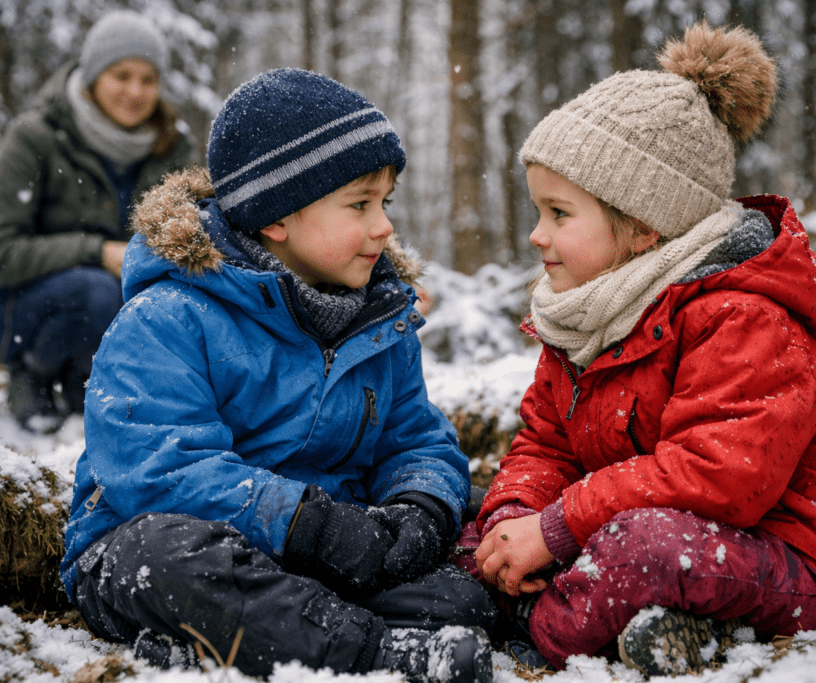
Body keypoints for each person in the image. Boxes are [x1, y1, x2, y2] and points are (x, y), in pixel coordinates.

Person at [456, 21, 816, 678]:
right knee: (477, 519)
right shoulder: (587, 317)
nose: (537, 235)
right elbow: (545, 443)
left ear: (641, 226)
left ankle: (531, 629)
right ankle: (645, 623)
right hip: (648, 523)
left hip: (797, 551)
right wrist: (517, 515)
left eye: (559, 214)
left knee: (643, 550)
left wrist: (557, 527)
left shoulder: (743, 315)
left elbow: (719, 475)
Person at [59, 69, 496, 683]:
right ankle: (375, 656)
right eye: (360, 205)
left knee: (463, 589)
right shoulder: (167, 318)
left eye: (385, 203)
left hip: (315, 557)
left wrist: (416, 510)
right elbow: (160, 469)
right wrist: (306, 524)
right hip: (166, 543)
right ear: (275, 218)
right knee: (167, 559)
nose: (384, 227)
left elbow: (415, 436)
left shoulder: (378, 320)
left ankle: (226, 644)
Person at [0, 10, 196, 432]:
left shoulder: (172, 146)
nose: (136, 91)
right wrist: (97, 252)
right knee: (96, 292)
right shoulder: (36, 136)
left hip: (109, 300)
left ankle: (87, 387)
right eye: (122, 75)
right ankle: (35, 372)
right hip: (3, 309)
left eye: (148, 79)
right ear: (92, 76)